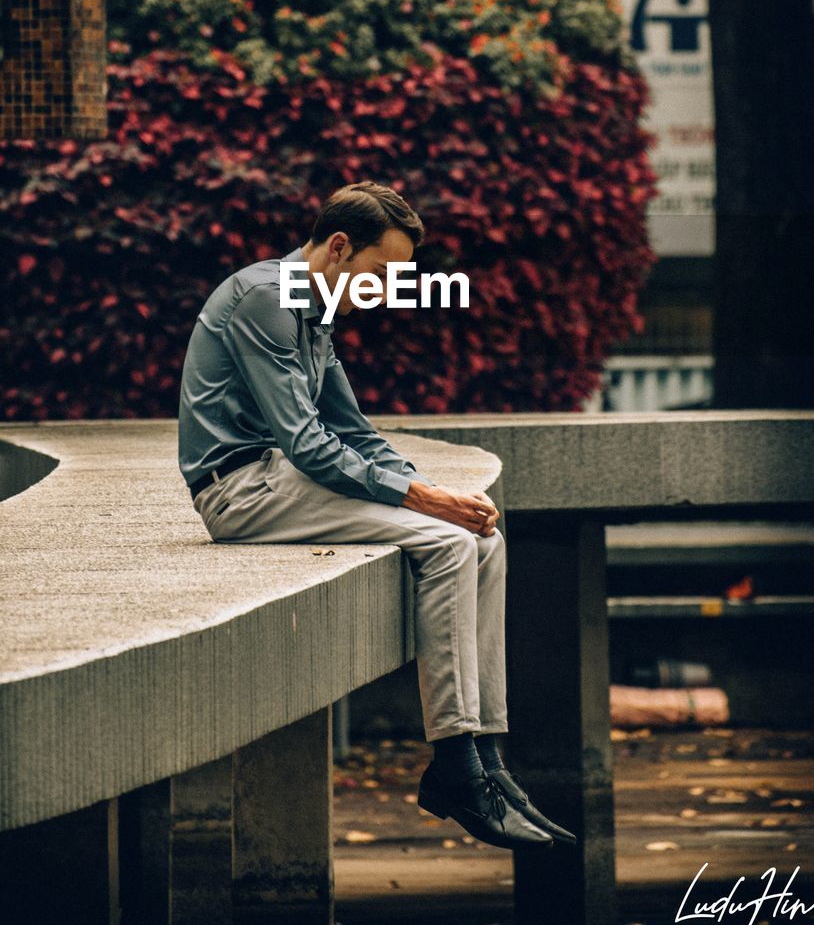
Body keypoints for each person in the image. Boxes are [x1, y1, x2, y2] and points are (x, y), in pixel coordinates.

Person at [178, 180, 576, 851]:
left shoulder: (315, 307)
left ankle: (488, 759)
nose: (388, 291)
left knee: (481, 539)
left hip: (282, 478)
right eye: (383, 273)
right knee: (449, 545)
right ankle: (455, 764)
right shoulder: (265, 300)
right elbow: (307, 445)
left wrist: (432, 490)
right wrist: (425, 500)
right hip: (241, 490)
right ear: (339, 248)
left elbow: (353, 432)